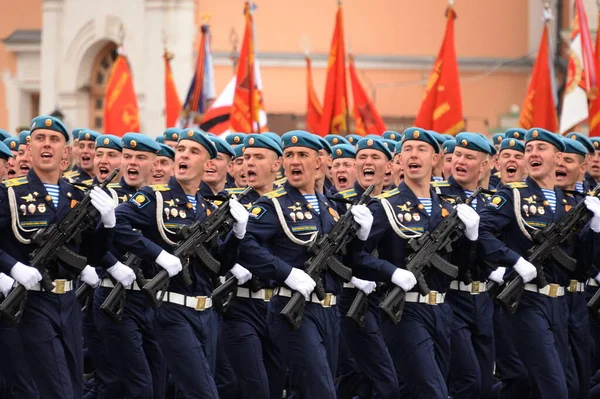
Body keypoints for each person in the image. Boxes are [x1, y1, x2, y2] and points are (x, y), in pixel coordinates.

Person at [112, 128, 248, 398]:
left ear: (208, 164)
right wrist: (158, 255)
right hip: (171, 311)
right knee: (204, 393)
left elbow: (219, 264)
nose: (184, 155)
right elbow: (117, 223)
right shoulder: (155, 197)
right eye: (181, 150)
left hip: (206, 313)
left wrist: (238, 235)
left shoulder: (206, 209)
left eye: (193, 151)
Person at [240, 130, 373, 398]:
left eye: (302, 155)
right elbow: (245, 247)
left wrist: (361, 238)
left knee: (311, 388)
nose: (294, 161)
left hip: (329, 311)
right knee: (321, 390)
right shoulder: (272, 205)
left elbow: (346, 260)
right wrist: (286, 273)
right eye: (289, 155)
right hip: (293, 311)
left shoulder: (329, 207)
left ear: (320, 162)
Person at [353, 127, 480, 398]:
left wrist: (470, 237)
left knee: (421, 389)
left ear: (435, 159)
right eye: (407, 150)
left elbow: (460, 268)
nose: (413, 155)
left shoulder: (447, 208)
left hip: (443, 311)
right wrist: (391, 272)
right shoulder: (385, 206)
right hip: (404, 312)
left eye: (421, 149)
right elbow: (355, 259)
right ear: (398, 160)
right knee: (432, 391)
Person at [0, 115, 117, 398]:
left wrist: (108, 223)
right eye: (39, 138)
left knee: (73, 386)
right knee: (59, 389)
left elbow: (90, 254)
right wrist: (12, 267)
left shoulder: (76, 195)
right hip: (31, 302)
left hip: (67, 301)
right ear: (28, 148)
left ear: (66, 152)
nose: (47, 145)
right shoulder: (9, 194)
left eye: (54, 140)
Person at [478, 128, 600, 399]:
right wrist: (514, 260)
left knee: (567, 386)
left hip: (561, 304)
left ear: (557, 158)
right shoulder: (514, 195)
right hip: (527, 302)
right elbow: (481, 233)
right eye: (529, 149)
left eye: (540, 148)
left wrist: (595, 230)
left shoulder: (568, 204)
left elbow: (580, 266)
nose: (533, 153)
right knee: (554, 389)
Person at [93, 133, 166, 399]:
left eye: (141, 157)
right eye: (128, 156)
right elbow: (89, 243)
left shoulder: (161, 200)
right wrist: (112, 265)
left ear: (155, 164)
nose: (132, 163)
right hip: (116, 298)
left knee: (158, 380)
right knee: (134, 384)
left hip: (153, 298)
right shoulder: (104, 196)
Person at [221, 133, 285, 399]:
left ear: (276, 164)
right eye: (246, 158)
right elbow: (215, 247)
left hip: (280, 307)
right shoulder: (229, 203)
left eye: (258, 157)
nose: (249, 164)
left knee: (276, 385)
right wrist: (233, 261)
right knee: (255, 387)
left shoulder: (288, 203)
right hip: (241, 306)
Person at [335, 137, 399, 399]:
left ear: (389, 167)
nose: (367, 162)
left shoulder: (396, 204)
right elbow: (332, 252)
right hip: (352, 297)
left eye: (374, 157)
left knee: (377, 379)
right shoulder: (339, 203)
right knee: (372, 379)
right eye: (362, 157)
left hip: (391, 299)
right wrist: (353, 276)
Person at [438, 132, 496, 399]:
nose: (460, 161)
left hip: (482, 298)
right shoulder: (437, 197)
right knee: (467, 380)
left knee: (484, 384)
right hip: (451, 297)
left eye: (469, 157)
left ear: (484, 165)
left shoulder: (490, 201)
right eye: (457, 155)